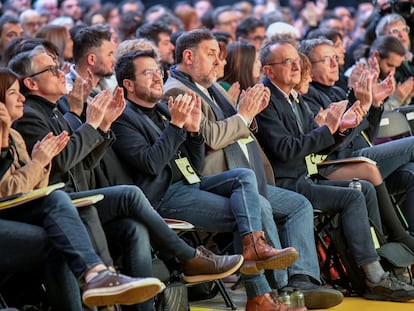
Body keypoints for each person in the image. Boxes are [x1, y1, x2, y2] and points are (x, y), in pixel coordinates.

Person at [9, 46, 245, 311]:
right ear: (31, 82)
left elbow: (85, 163)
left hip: (81, 200)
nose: (60, 72)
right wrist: (92, 124)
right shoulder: (31, 115)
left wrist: (105, 126)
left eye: (159, 71)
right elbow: (62, 165)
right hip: (57, 207)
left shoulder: (53, 112)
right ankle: (188, 257)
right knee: (130, 194)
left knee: (134, 229)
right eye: (51, 69)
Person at [163, 28, 343, 310]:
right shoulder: (176, 90)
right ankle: (277, 291)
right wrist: (244, 114)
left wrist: (249, 112)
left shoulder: (208, 87)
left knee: (299, 205)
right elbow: (210, 137)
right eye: (211, 54)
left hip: (245, 176)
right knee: (258, 207)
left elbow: (241, 125)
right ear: (188, 56)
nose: (218, 60)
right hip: (216, 179)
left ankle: (302, 280)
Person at [112, 48, 304, 311]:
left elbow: (193, 164)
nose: (158, 77)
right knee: (248, 211)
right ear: (128, 84)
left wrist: (193, 134)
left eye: (158, 71)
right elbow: (151, 164)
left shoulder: (161, 109)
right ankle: (261, 295)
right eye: (148, 73)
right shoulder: (123, 118)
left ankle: (254, 249)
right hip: (164, 196)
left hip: (190, 183)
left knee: (243, 178)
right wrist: (177, 126)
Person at [255, 39, 414, 302]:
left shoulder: (292, 98)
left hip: (304, 175)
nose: (296, 66)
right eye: (287, 62)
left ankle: (378, 268)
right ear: (269, 71)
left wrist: (342, 129)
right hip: (286, 183)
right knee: (354, 192)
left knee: (361, 188)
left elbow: (319, 145)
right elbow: (285, 150)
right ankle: (374, 275)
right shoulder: (267, 98)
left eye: (297, 60)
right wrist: (328, 130)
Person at [0, 67, 164, 308]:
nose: (21, 97)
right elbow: (10, 192)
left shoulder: (14, 134)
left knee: (128, 225)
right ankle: (186, 257)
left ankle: (105, 282)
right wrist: (38, 162)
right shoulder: (25, 122)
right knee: (122, 197)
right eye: (14, 93)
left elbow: (45, 181)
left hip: (32, 208)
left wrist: (103, 125)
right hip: (13, 213)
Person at [300, 37, 414, 242]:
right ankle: (401, 238)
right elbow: (336, 142)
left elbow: (366, 137)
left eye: (336, 57)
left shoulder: (335, 91)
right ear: (308, 67)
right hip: (341, 162)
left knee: (411, 173)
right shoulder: (309, 97)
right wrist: (361, 105)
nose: (336, 63)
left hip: (362, 155)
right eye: (327, 60)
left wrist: (375, 104)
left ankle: (408, 238)